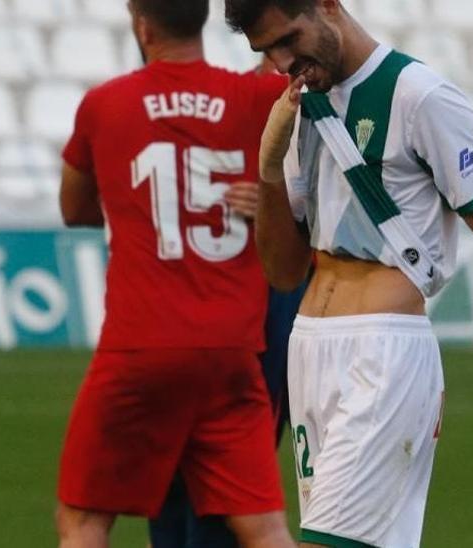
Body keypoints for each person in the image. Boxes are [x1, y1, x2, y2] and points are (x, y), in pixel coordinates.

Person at [223, 1, 473, 546]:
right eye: (266, 51)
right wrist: (269, 171)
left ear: (327, 6)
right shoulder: (300, 108)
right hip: (310, 354)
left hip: (383, 357)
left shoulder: (421, 97)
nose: (280, 62)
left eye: (288, 40)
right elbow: (283, 270)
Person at [55, 1, 297, 546]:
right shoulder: (258, 99)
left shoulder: (105, 105)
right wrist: (274, 205)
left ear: (142, 26)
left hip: (139, 348)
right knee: (264, 529)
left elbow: (73, 209)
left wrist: (131, 207)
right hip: (231, 351)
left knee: (85, 520)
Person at [150, 55, 310, 548]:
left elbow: (337, 209)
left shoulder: (326, 106)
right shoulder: (234, 99)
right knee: (173, 465)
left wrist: (272, 205)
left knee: (233, 468)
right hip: (205, 295)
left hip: (272, 297)